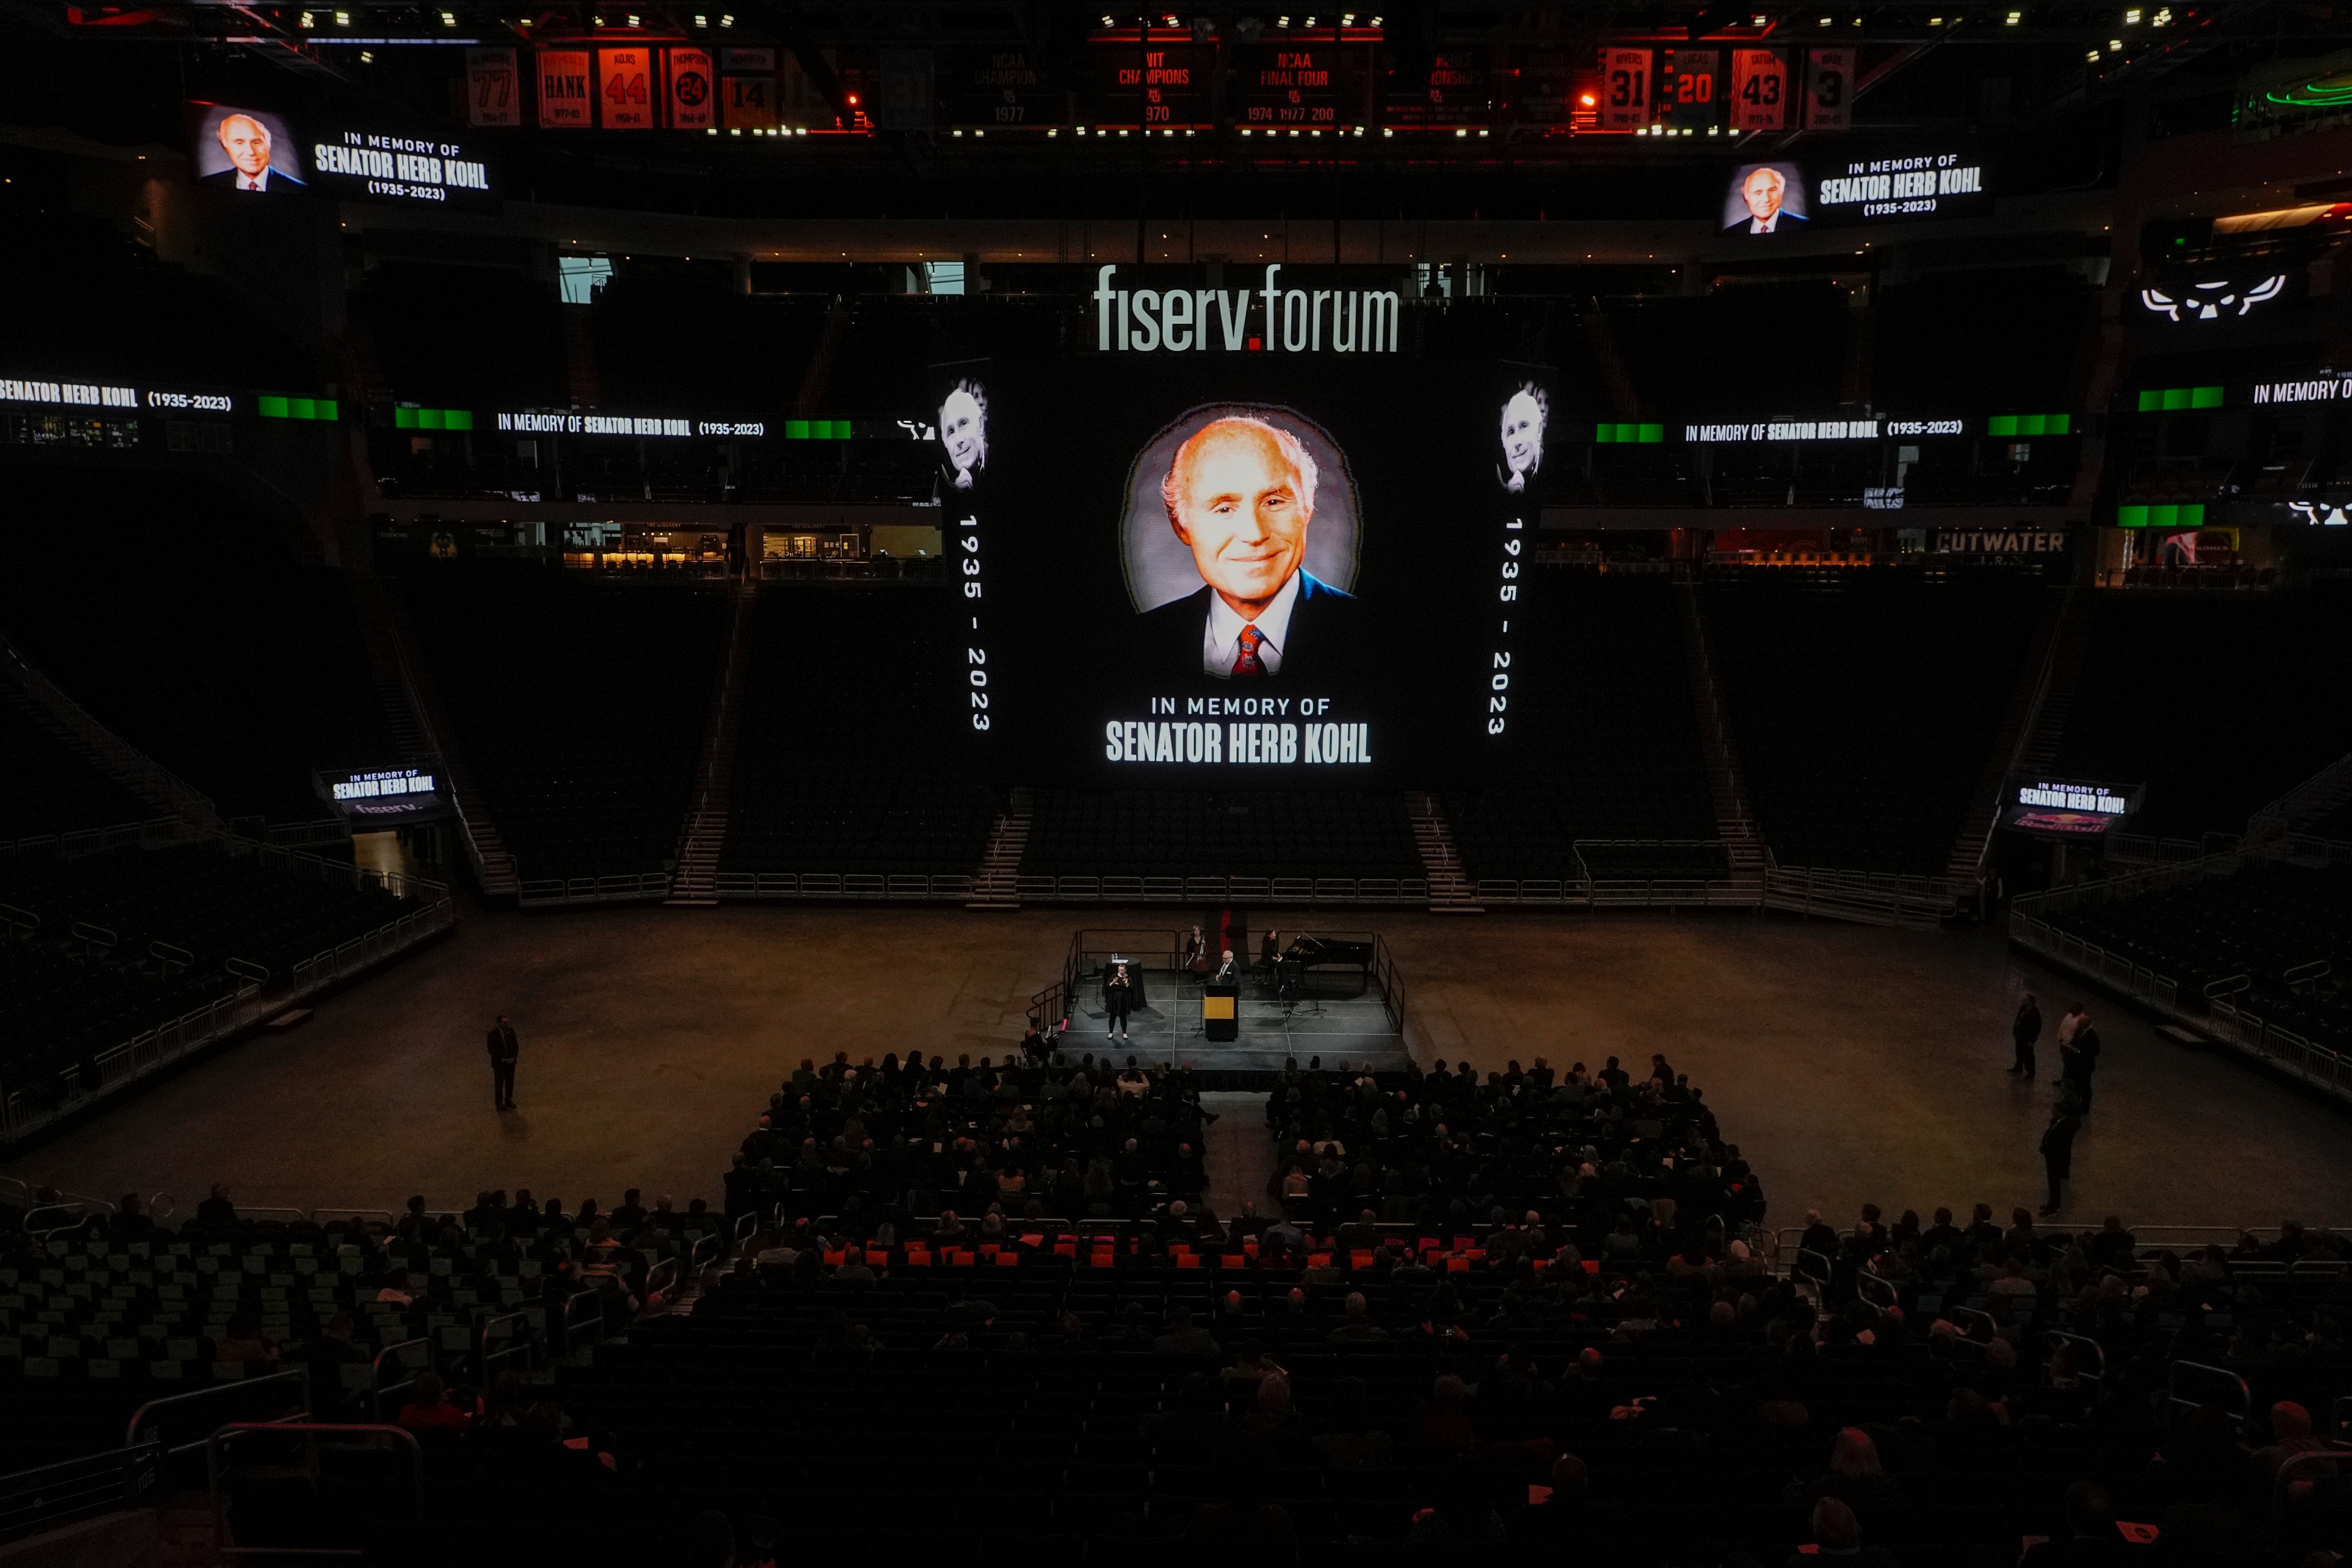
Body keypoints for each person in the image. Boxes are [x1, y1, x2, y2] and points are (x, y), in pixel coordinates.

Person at [1131, 414, 1363, 681]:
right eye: (1224, 508)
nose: (1254, 534)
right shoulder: (1139, 645)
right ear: (1181, 526)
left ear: (1307, 507)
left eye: (1274, 502)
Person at [201, 113, 303, 192]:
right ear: (226, 148)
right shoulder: (208, 185)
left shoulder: (298, 189)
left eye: (256, 142)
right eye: (239, 143)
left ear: (268, 145)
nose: (251, 152)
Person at [2040, 1092, 2085, 1216]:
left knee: (2054, 1184)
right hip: (2053, 1157)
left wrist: (2047, 1148)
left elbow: (2059, 1144)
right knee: (2053, 1184)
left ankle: (2053, 1209)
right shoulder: (2058, 1122)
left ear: (2061, 1112)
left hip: (2056, 1159)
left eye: (2054, 1110)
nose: (2052, 1112)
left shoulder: (2065, 1126)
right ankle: (2053, 1205)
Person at [938, 379, 985, 490]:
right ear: (944, 442)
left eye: (963, 424)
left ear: (981, 424)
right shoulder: (945, 484)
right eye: (951, 432)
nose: (959, 440)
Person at [1498, 383, 1546, 493]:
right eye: (1511, 432)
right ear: (1504, 442)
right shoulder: (1501, 480)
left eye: (1524, 426)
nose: (1517, 442)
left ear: (1539, 430)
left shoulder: (1549, 469)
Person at [1728, 163, 1803, 233]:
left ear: (1781, 192)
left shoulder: (1804, 225)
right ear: (1746, 197)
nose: (1766, 199)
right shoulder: (1731, 233)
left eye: (1772, 190)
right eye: (1758, 193)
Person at [2061, 1017, 2102, 1113]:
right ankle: (2076, 1104)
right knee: (2077, 1086)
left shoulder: (2092, 1035)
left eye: (2080, 1023)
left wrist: (2080, 1052)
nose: (2078, 1024)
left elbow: (2095, 1051)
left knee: (2085, 1086)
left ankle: (2085, 1106)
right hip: (2077, 1063)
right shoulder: (2080, 1032)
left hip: (2085, 1065)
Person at [486, 1014, 520, 1110]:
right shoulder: (492, 1035)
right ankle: (499, 1103)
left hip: (510, 1063)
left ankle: (508, 1100)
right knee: (499, 1084)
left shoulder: (511, 1032)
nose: (506, 1024)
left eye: (507, 1022)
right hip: (500, 1064)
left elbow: (516, 1046)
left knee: (510, 1083)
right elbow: (492, 1050)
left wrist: (513, 1058)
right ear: (499, 1023)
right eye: (504, 1022)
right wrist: (502, 1059)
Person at [2011, 992, 2043, 1078]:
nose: (2023, 1001)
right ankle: (2019, 1066)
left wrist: (2032, 1041)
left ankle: (2031, 1072)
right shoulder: (2023, 1009)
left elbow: (2036, 1029)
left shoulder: (2035, 1014)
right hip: (2020, 1035)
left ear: (2030, 1002)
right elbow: (2019, 1020)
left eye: (2025, 1000)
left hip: (2027, 1038)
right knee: (2019, 1051)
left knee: (2029, 1055)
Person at [1105, 963, 1135, 1042]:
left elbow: (1131, 990)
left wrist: (1127, 984)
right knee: (1112, 1017)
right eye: (1119, 970)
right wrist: (1113, 984)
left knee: (1123, 1017)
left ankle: (1124, 1033)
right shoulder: (1114, 976)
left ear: (1126, 970)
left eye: (1122, 970)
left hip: (1123, 1000)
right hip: (1114, 999)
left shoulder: (1128, 978)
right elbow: (1108, 986)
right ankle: (1111, 1033)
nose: (1121, 971)